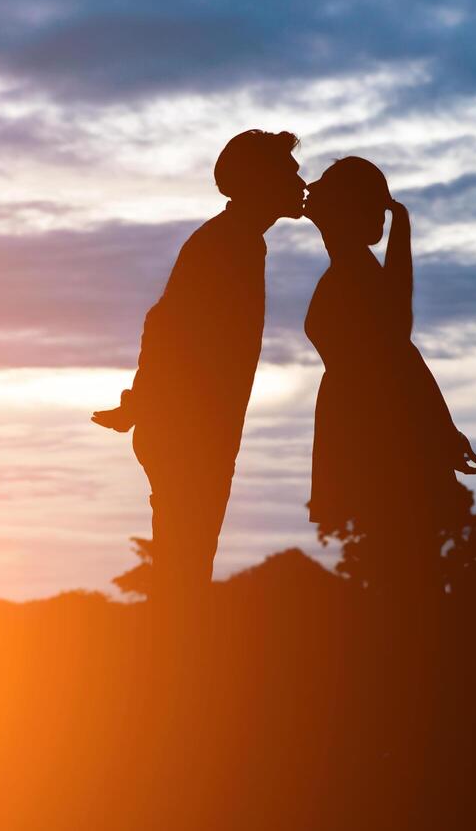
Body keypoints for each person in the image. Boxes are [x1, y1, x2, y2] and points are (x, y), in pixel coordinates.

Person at [93, 130, 306, 606]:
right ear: (261, 181)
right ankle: (172, 676)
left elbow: (166, 324)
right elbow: (166, 326)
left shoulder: (237, 241)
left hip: (192, 431)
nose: (301, 182)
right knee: (184, 575)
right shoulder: (227, 244)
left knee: (186, 570)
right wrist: (141, 405)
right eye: (290, 172)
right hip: (188, 435)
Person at [302, 157, 476, 595]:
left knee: (399, 571)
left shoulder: (356, 276)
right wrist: (443, 430)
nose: (312, 193)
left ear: (343, 208)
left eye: (325, 188)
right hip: (371, 431)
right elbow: (404, 357)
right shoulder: (356, 272)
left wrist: (441, 431)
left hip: (377, 438)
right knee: (396, 568)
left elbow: (399, 360)